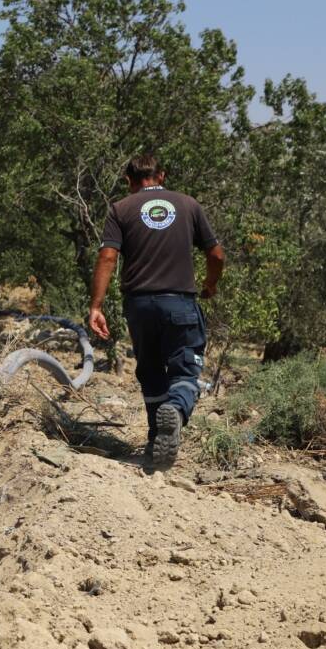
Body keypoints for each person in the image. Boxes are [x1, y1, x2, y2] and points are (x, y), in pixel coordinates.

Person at [88, 154, 225, 467]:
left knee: (150, 372)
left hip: (139, 305)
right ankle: (175, 411)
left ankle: (155, 442)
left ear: (129, 181)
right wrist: (211, 285)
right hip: (179, 302)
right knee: (185, 369)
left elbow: (108, 258)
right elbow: (216, 255)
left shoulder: (120, 209)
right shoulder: (189, 205)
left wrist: (96, 306)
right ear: (161, 175)